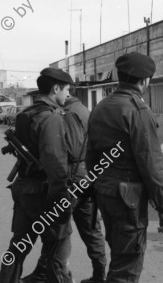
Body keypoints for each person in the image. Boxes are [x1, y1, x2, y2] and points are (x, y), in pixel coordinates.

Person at [86, 52, 163, 283]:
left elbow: (91, 156)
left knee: (119, 255)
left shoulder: (101, 107)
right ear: (144, 81)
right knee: (127, 266)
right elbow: (151, 162)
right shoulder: (137, 110)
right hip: (128, 197)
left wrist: (97, 186)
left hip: (106, 193)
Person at [0, 68, 74, 283]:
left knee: (18, 246)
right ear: (55, 88)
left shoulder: (25, 115)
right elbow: (55, 162)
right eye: (66, 89)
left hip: (23, 189)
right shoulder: (51, 119)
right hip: (43, 191)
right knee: (57, 248)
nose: (68, 95)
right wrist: (61, 200)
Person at [22, 91, 107, 283]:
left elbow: (64, 149)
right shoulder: (85, 111)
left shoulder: (65, 114)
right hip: (87, 176)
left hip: (72, 176)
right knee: (91, 228)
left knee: (58, 229)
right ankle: (100, 273)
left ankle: (50, 273)